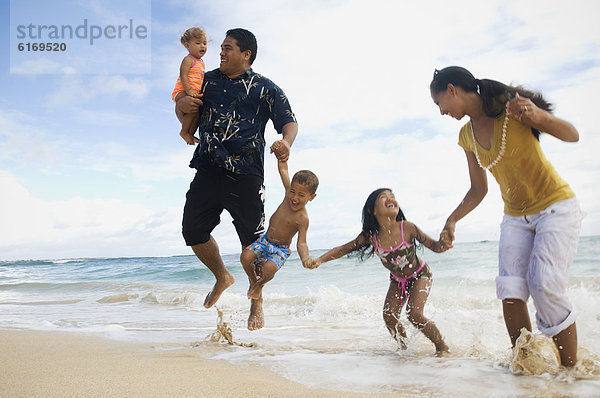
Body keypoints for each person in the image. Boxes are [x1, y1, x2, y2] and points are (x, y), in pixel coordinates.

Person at [430, 66, 582, 367]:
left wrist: (539, 117)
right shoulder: (466, 136)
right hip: (515, 217)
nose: (441, 112)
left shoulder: (512, 111)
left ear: (451, 89)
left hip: (555, 207)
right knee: (510, 291)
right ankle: (526, 365)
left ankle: (570, 373)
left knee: (544, 285)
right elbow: (477, 189)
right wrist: (452, 219)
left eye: (439, 104)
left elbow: (573, 136)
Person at [177, 29, 299, 322]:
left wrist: (286, 142)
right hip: (207, 167)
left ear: (246, 55)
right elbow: (183, 107)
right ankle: (222, 276)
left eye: (228, 48)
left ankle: (256, 298)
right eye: (220, 47)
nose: (220, 52)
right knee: (192, 231)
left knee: (253, 244)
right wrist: (181, 105)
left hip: (247, 176)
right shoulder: (206, 81)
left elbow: (290, 122)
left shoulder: (265, 88)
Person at [307, 188, 450, 355]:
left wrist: (444, 242)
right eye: (384, 197)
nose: (390, 199)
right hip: (397, 280)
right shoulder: (370, 236)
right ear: (372, 210)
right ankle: (404, 349)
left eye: (393, 196)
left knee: (414, 314)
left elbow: (435, 247)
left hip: (420, 274)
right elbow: (343, 249)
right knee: (389, 317)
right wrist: (320, 260)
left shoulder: (407, 228)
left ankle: (442, 347)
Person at [241, 148, 318, 330]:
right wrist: (280, 153)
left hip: (280, 249)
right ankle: (254, 281)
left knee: (268, 268)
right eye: (293, 192)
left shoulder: (302, 218)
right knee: (245, 257)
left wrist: (305, 258)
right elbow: (283, 169)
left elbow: (302, 242)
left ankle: (259, 285)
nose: (294, 197)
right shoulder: (287, 195)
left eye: (301, 195)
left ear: (311, 197)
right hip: (265, 240)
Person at [172, 27, 207, 145]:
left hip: (192, 92)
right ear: (187, 46)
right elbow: (183, 76)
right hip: (182, 91)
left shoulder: (201, 62)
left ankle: (189, 134)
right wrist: (189, 90)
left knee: (195, 112)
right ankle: (184, 131)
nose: (202, 46)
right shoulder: (188, 60)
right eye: (198, 43)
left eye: (204, 43)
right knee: (192, 108)